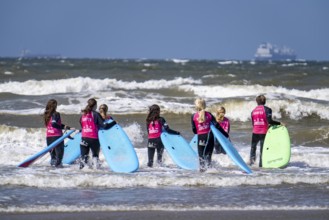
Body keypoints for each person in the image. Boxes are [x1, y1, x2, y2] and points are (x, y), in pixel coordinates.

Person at [191, 98, 229, 172]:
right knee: (208, 157)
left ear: (196, 106)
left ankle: (202, 175)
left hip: (201, 137)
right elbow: (217, 126)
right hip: (209, 136)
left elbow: (194, 131)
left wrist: (200, 128)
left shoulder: (193, 116)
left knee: (201, 157)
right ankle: (210, 174)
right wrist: (225, 134)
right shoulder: (209, 114)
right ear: (204, 105)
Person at [79, 98, 116, 169]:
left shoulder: (83, 114)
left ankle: (81, 174)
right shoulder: (96, 114)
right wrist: (114, 123)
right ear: (95, 105)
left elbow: (81, 123)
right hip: (93, 139)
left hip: (84, 138)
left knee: (83, 158)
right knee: (95, 157)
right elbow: (104, 126)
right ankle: (96, 172)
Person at [250, 95, 283, 167]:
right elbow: (270, 121)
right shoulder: (268, 109)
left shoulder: (253, 111)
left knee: (253, 148)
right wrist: (279, 123)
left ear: (257, 102)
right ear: (265, 101)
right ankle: (261, 165)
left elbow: (253, 123)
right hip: (263, 132)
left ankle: (252, 164)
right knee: (263, 150)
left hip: (255, 132)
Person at [43, 99, 74, 168]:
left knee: (53, 157)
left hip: (49, 137)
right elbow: (54, 124)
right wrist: (61, 128)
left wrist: (67, 127)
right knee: (59, 158)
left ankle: (53, 173)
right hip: (57, 137)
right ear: (55, 106)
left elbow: (53, 124)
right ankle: (58, 173)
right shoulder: (56, 114)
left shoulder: (46, 114)